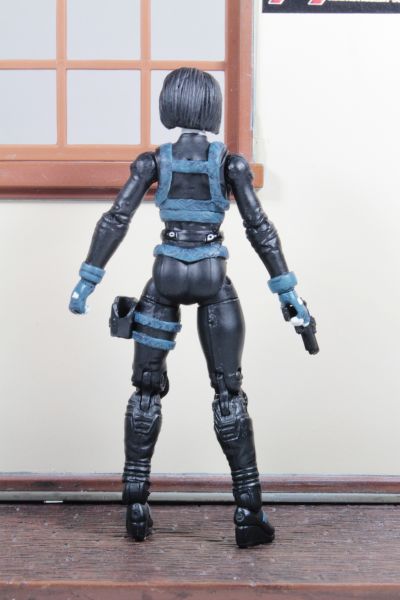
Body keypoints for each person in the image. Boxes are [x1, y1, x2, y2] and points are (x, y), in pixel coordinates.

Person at [69, 67, 316, 548]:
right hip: (211, 273)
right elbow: (260, 228)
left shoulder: (153, 162)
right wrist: (286, 290)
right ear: (212, 108)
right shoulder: (229, 165)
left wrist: (87, 279)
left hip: (164, 274)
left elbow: (116, 218)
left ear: (170, 105)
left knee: (146, 389)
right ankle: (248, 512)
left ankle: (135, 503)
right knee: (228, 391)